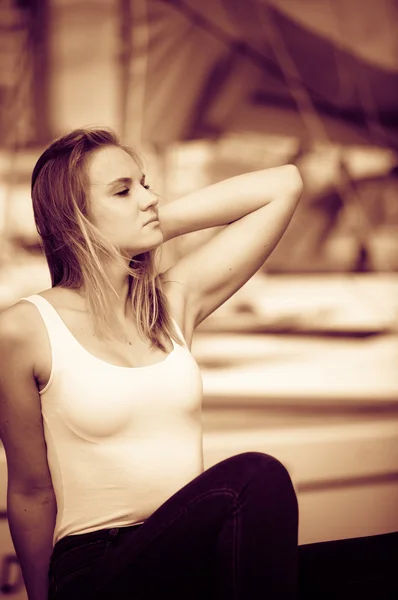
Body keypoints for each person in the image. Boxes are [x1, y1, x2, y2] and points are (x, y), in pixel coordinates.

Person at [0, 128, 303, 600]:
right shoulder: (24, 328)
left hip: (187, 548)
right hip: (96, 566)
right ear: (73, 216)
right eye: (123, 191)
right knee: (257, 476)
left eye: (145, 184)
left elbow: (284, 184)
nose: (149, 198)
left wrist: (152, 223)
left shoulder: (172, 303)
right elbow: (29, 491)